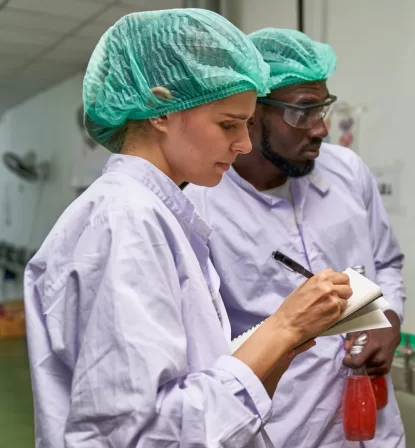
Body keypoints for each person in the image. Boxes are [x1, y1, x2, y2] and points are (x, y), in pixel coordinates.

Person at [24, 11, 353, 448]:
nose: (244, 144)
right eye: (228, 124)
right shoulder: (125, 222)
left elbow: (185, 379)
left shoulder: (156, 214)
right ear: (163, 110)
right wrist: (283, 328)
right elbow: (137, 435)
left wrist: (276, 349)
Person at [184, 28, 406, 447]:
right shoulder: (201, 209)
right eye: (302, 112)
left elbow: (387, 262)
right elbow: (203, 347)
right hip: (281, 429)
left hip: (371, 425)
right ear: (252, 113)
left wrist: (389, 318)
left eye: (322, 108)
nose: (320, 129)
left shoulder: (348, 173)